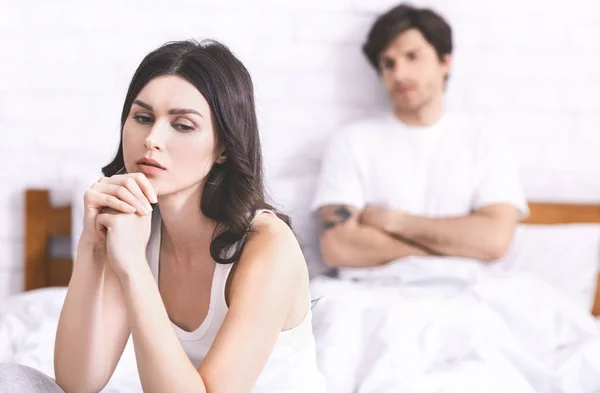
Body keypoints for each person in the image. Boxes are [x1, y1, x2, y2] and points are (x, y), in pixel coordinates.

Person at [0, 39, 325, 393]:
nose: (152, 138)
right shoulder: (133, 226)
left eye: (182, 125)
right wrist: (93, 245)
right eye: (142, 118)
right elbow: (78, 382)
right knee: (12, 379)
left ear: (224, 148)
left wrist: (134, 268)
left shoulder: (268, 245)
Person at [312, 4, 528, 274]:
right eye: (388, 63)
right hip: (368, 294)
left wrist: (392, 221)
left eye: (412, 56)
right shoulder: (351, 140)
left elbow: (494, 241)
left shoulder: (485, 140)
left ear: (444, 62)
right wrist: (452, 246)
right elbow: (337, 246)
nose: (398, 74)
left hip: (466, 293)